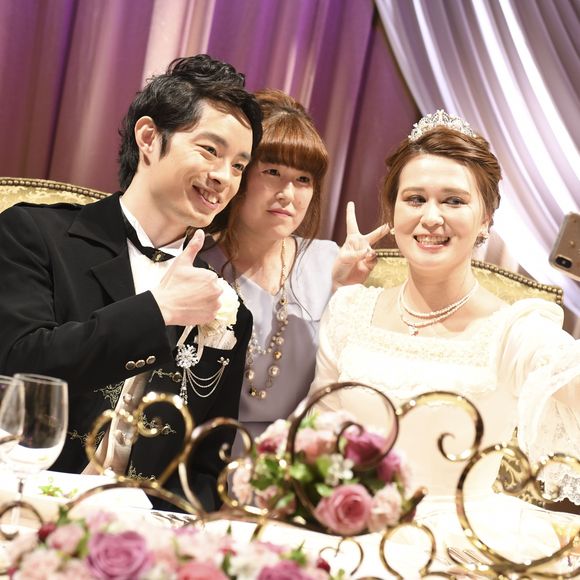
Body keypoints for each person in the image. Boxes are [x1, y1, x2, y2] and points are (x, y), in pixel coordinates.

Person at [308, 110, 579, 563]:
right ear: (393, 212)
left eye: (454, 201)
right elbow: (314, 435)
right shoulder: (348, 309)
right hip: (347, 534)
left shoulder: (517, 330)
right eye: (415, 199)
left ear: (486, 219)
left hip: (464, 547)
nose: (431, 217)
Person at [0, 54, 263, 512]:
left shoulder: (226, 308)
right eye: (210, 150)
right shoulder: (33, 235)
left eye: (239, 166)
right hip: (18, 503)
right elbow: (19, 367)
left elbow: (205, 469)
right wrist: (157, 312)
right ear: (148, 138)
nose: (224, 177)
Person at [203, 89, 387, 445]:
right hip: (208, 453)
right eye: (272, 171)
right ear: (240, 173)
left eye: (303, 179)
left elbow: (352, 385)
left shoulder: (329, 262)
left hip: (300, 457)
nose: (288, 194)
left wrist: (345, 293)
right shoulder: (197, 263)